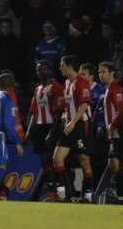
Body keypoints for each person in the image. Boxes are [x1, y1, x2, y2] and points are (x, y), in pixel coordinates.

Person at [53, 55, 95, 202]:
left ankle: (88, 196)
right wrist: (63, 105)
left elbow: (84, 104)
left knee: (84, 159)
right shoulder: (67, 82)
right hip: (68, 125)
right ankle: (64, 195)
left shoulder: (82, 82)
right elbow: (71, 102)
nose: (60, 68)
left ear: (69, 66)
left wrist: (73, 122)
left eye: (62, 65)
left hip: (79, 125)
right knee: (57, 159)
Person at [26, 61, 64, 200]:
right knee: (44, 161)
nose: (40, 72)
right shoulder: (38, 89)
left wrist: (52, 132)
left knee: (50, 159)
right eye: (38, 70)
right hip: (40, 128)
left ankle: (57, 190)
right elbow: (34, 112)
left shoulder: (55, 87)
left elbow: (58, 112)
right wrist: (29, 132)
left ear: (50, 71)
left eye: (43, 70)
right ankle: (51, 189)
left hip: (51, 126)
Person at [98, 62, 123, 205]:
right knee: (115, 164)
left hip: (118, 131)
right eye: (99, 72)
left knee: (114, 162)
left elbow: (122, 108)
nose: (101, 75)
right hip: (112, 132)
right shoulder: (107, 89)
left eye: (104, 72)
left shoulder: (115, 89)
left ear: (112, 73)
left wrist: (112, 125)